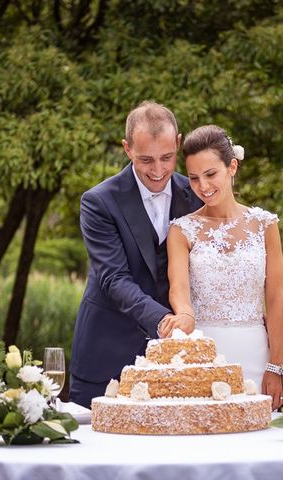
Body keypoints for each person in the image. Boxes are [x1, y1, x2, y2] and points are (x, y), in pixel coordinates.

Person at [69, 101, 203, 408]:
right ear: (127, 149)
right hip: (106, 354)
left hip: (179, 363)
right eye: (146, 160)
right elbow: (114, 279)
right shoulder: (99, 202)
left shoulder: (197, 197)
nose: (158, 171)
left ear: (178, 144)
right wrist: (166, 322)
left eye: (167, 158)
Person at [164, 124, 283, 410]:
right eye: (194, 178)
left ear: (232, 167)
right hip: (202, 356)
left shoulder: (265, 225)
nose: (203, 187)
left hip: (257, 354)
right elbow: (179, 289)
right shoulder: (182, 230)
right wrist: (184, 313)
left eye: (211, 174)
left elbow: (275, 300)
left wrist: (277, 365)